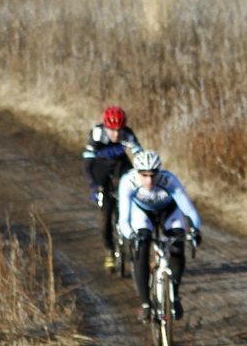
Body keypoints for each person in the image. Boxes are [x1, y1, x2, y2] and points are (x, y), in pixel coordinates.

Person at [118, 150, 202, 322]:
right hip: (142, 214)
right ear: (137, 173)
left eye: (153, 175)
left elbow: (189, 210)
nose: (149, 180)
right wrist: (131, 235)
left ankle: (175, 296)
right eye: (144, 175)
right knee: (141, 250)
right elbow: (123, 220)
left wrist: (195, 230)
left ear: (159, 172)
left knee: (178, 247)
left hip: (168, 212)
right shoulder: (128, 181)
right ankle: (146, 304)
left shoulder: (169, 180)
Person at [82, 105, 144, 269]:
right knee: (105, 213)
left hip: (120, 164)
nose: (116, 134)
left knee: (129, 197)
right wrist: (94, 186)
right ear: (106, 127)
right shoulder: (96, 134)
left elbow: (140, 157)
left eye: (119, 130)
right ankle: (109, 249)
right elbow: (88, 165)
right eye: (112, 130)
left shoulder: (128, 134)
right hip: (100, 166)